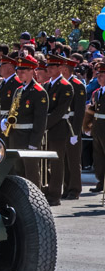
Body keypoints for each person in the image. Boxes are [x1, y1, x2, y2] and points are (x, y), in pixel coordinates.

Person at [3, 54, 49, 194]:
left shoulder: (39, 92)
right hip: (16, 136)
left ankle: (35, 200)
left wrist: (34, 143)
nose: (20, 73)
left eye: (23, 71)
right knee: (18, 171)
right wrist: (5, 120)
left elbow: (40, 121)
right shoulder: (19, 90)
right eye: (18, 71)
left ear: (31, 71)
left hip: (29, 137)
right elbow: (13, 110)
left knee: (31, 172)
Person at [42, 55, 74, 204]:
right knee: (45, 162)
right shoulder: (47, 85)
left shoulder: (66, 86)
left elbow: (59, 111)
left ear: (61, 68)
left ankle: (55, 195)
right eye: (48, 66)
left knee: (56, 163)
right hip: (47, 128)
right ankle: (46, 190)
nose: (49, 69)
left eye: (53, 67)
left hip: (59, 128)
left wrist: (44, 124)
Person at [61, 55, 86, 199]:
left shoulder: (77, 85)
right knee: (64, 159)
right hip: (63, 125)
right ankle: (66, 187)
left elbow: (79, 112)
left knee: (73, 160)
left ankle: (75, 189)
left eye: (62, 67)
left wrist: (75, 133)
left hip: (72, 125)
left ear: (66, 69)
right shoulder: (63, 84)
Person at [86, 63, 105, 194]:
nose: (99, 77)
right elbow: (93, 112)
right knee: (98, 157)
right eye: (98, 75)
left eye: (102, 75)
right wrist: (88, 126)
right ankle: (101, 181)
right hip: (98, 128)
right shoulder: (97, 93)